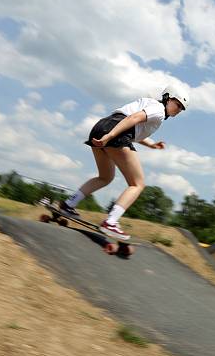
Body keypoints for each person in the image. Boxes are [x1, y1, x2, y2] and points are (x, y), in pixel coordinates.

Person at [59, 86, 189, 240]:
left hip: (101, 126)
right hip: (115, 132)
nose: (178, 110)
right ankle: (111, 222)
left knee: (105, 177)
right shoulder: (159, 110)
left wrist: (151, 145)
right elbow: (132, 120)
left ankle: (69, 204)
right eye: (177, 104)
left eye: (181, 108)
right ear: (168, 97)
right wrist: (110, 136)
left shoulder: (149, 103)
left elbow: (135, 130)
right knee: (137, 184)